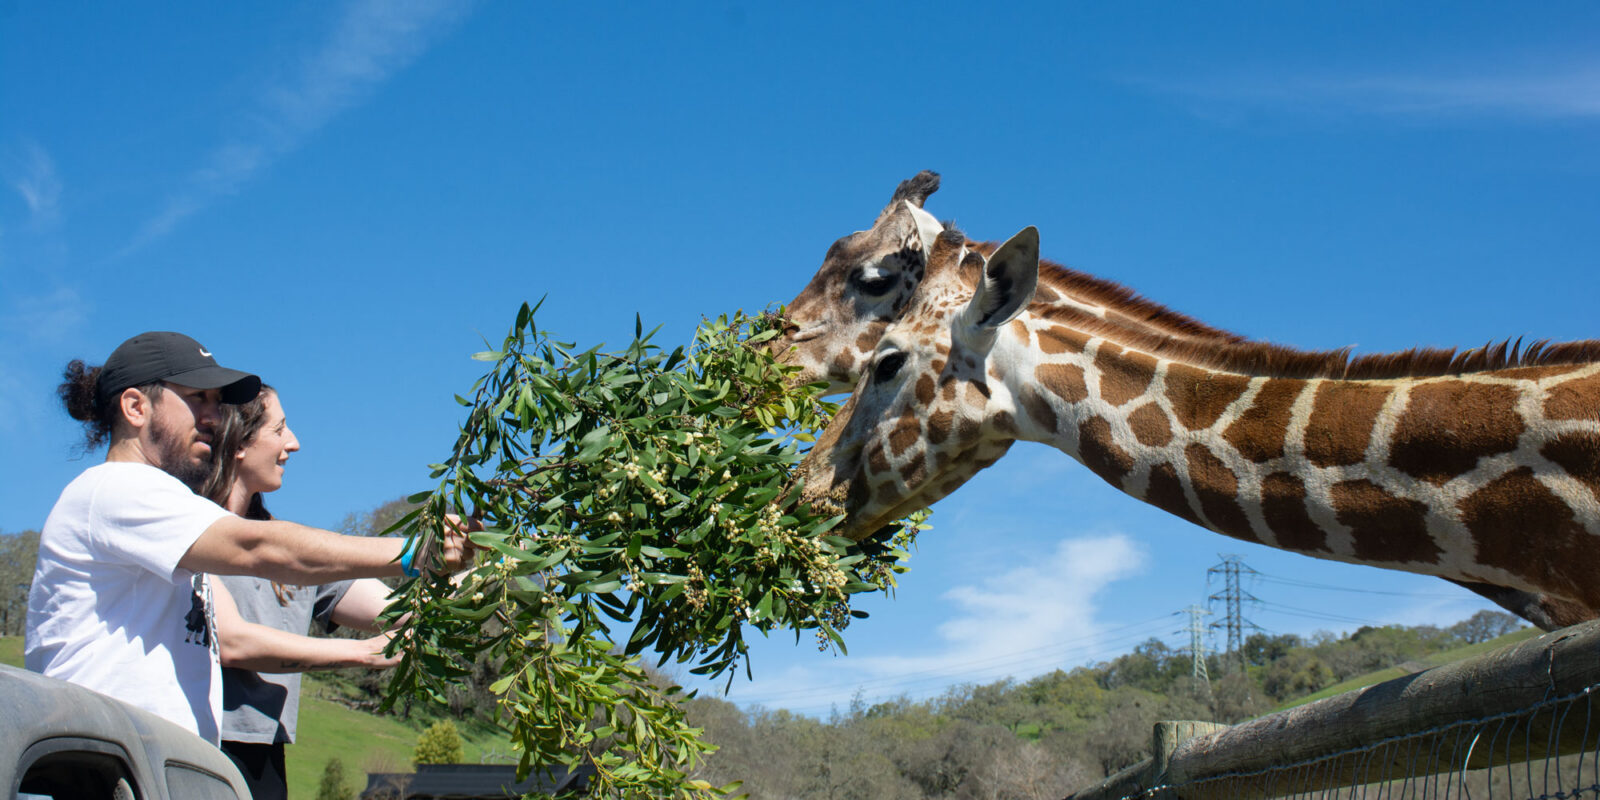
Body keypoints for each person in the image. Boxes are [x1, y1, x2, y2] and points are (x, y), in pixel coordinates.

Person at [25, 331, 473, 746]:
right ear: (136, 407)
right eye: (197, 398)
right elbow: (260, 549)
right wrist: (418, 550)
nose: (214, 417)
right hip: (103, 764)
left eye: (217, 403)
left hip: (154, 762)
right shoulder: (117, 489)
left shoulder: (164, 510)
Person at [200, 384, 402, 800]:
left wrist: (492, 563)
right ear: (239, 443)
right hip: (201, 745)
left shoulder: (290, 552)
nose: (293, 443)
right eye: (280, 430)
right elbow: (233, 642)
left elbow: (401, 609)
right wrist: (365, 653)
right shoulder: (191, 529)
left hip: (266, 753)